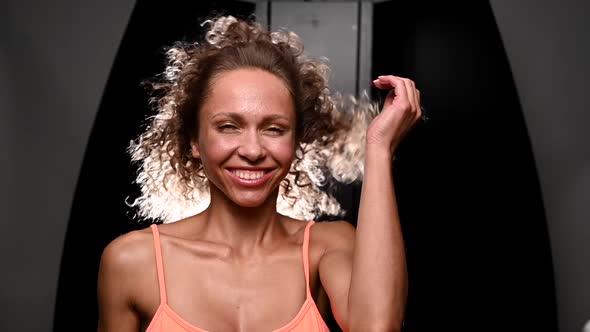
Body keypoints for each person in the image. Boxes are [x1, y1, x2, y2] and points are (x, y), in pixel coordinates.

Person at [97, 15, 421, 332]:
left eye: (274, 128)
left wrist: (378, 148)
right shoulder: (132, 261)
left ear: (295, 142)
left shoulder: (326, 247)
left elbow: (378, 326)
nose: (252, 151)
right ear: (195, 140)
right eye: (228, 126)